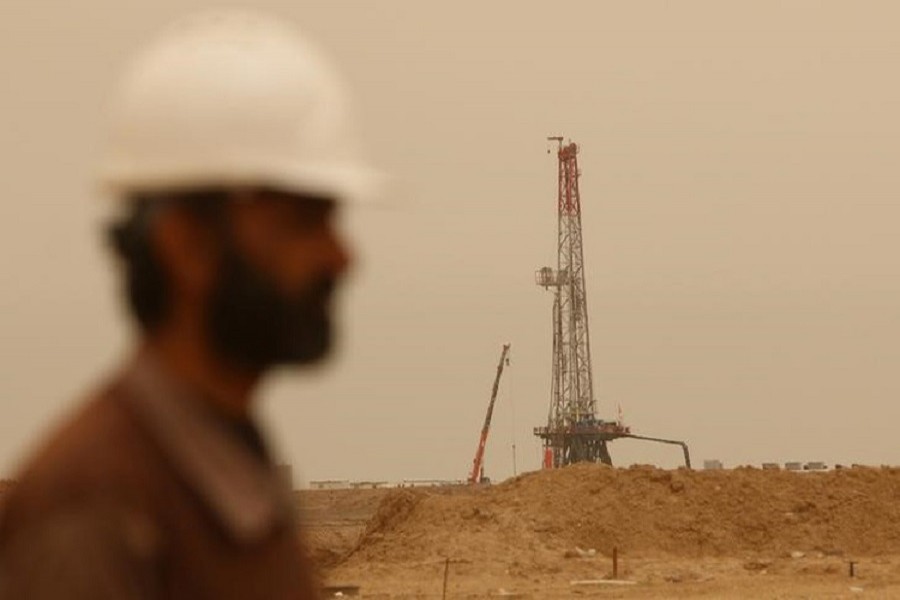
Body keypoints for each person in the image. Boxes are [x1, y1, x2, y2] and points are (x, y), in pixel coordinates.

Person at [0, 9, 379, 599]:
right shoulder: (95, 514)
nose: (341, 257)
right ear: (188, 247)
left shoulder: (227, 474)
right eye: (304, 222)